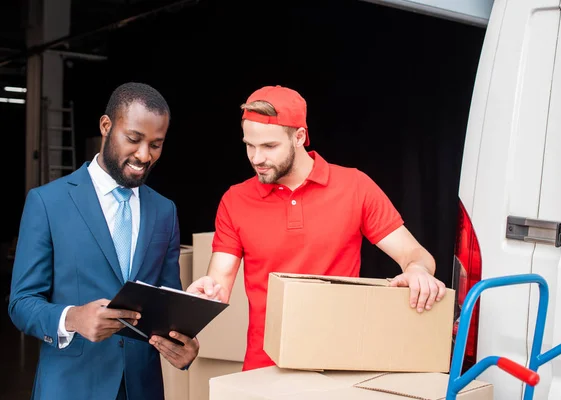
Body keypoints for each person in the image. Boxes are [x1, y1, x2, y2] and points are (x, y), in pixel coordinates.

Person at [186, 84, 447, 372]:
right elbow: (218, 284)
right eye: (249, 145)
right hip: (264, 370)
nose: (256, 158)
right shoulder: (235, 200)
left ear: (299, 137)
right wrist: (205, 293)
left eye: (269, 146)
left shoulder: (355, 186)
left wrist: (418, 271)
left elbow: (417, 256)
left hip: (338, 365)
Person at [9, 82, 198, 400]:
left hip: (143, 388)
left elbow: (167, 302)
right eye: (134, 139)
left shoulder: (165, 211)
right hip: (70, 388)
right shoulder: (47, 202)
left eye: (156, 144)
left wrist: (183, 343)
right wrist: (72, 318)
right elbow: (21, 303)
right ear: (106, 126)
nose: (143, 155)